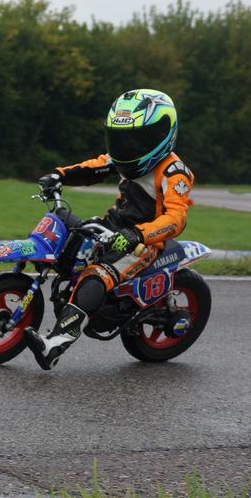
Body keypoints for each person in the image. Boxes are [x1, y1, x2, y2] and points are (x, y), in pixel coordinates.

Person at [25, 89, 194, 370]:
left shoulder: (174, 172)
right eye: (119, 138)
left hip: (143, 242)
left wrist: (137, 234)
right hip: (112, 226)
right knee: (64, 229)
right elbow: (93, 168)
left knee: (96, 275)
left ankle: (56, 343)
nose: (126, 146)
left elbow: (176, 219)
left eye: (136, 139)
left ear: (163, 134)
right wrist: (59, 175)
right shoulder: (123, 158)